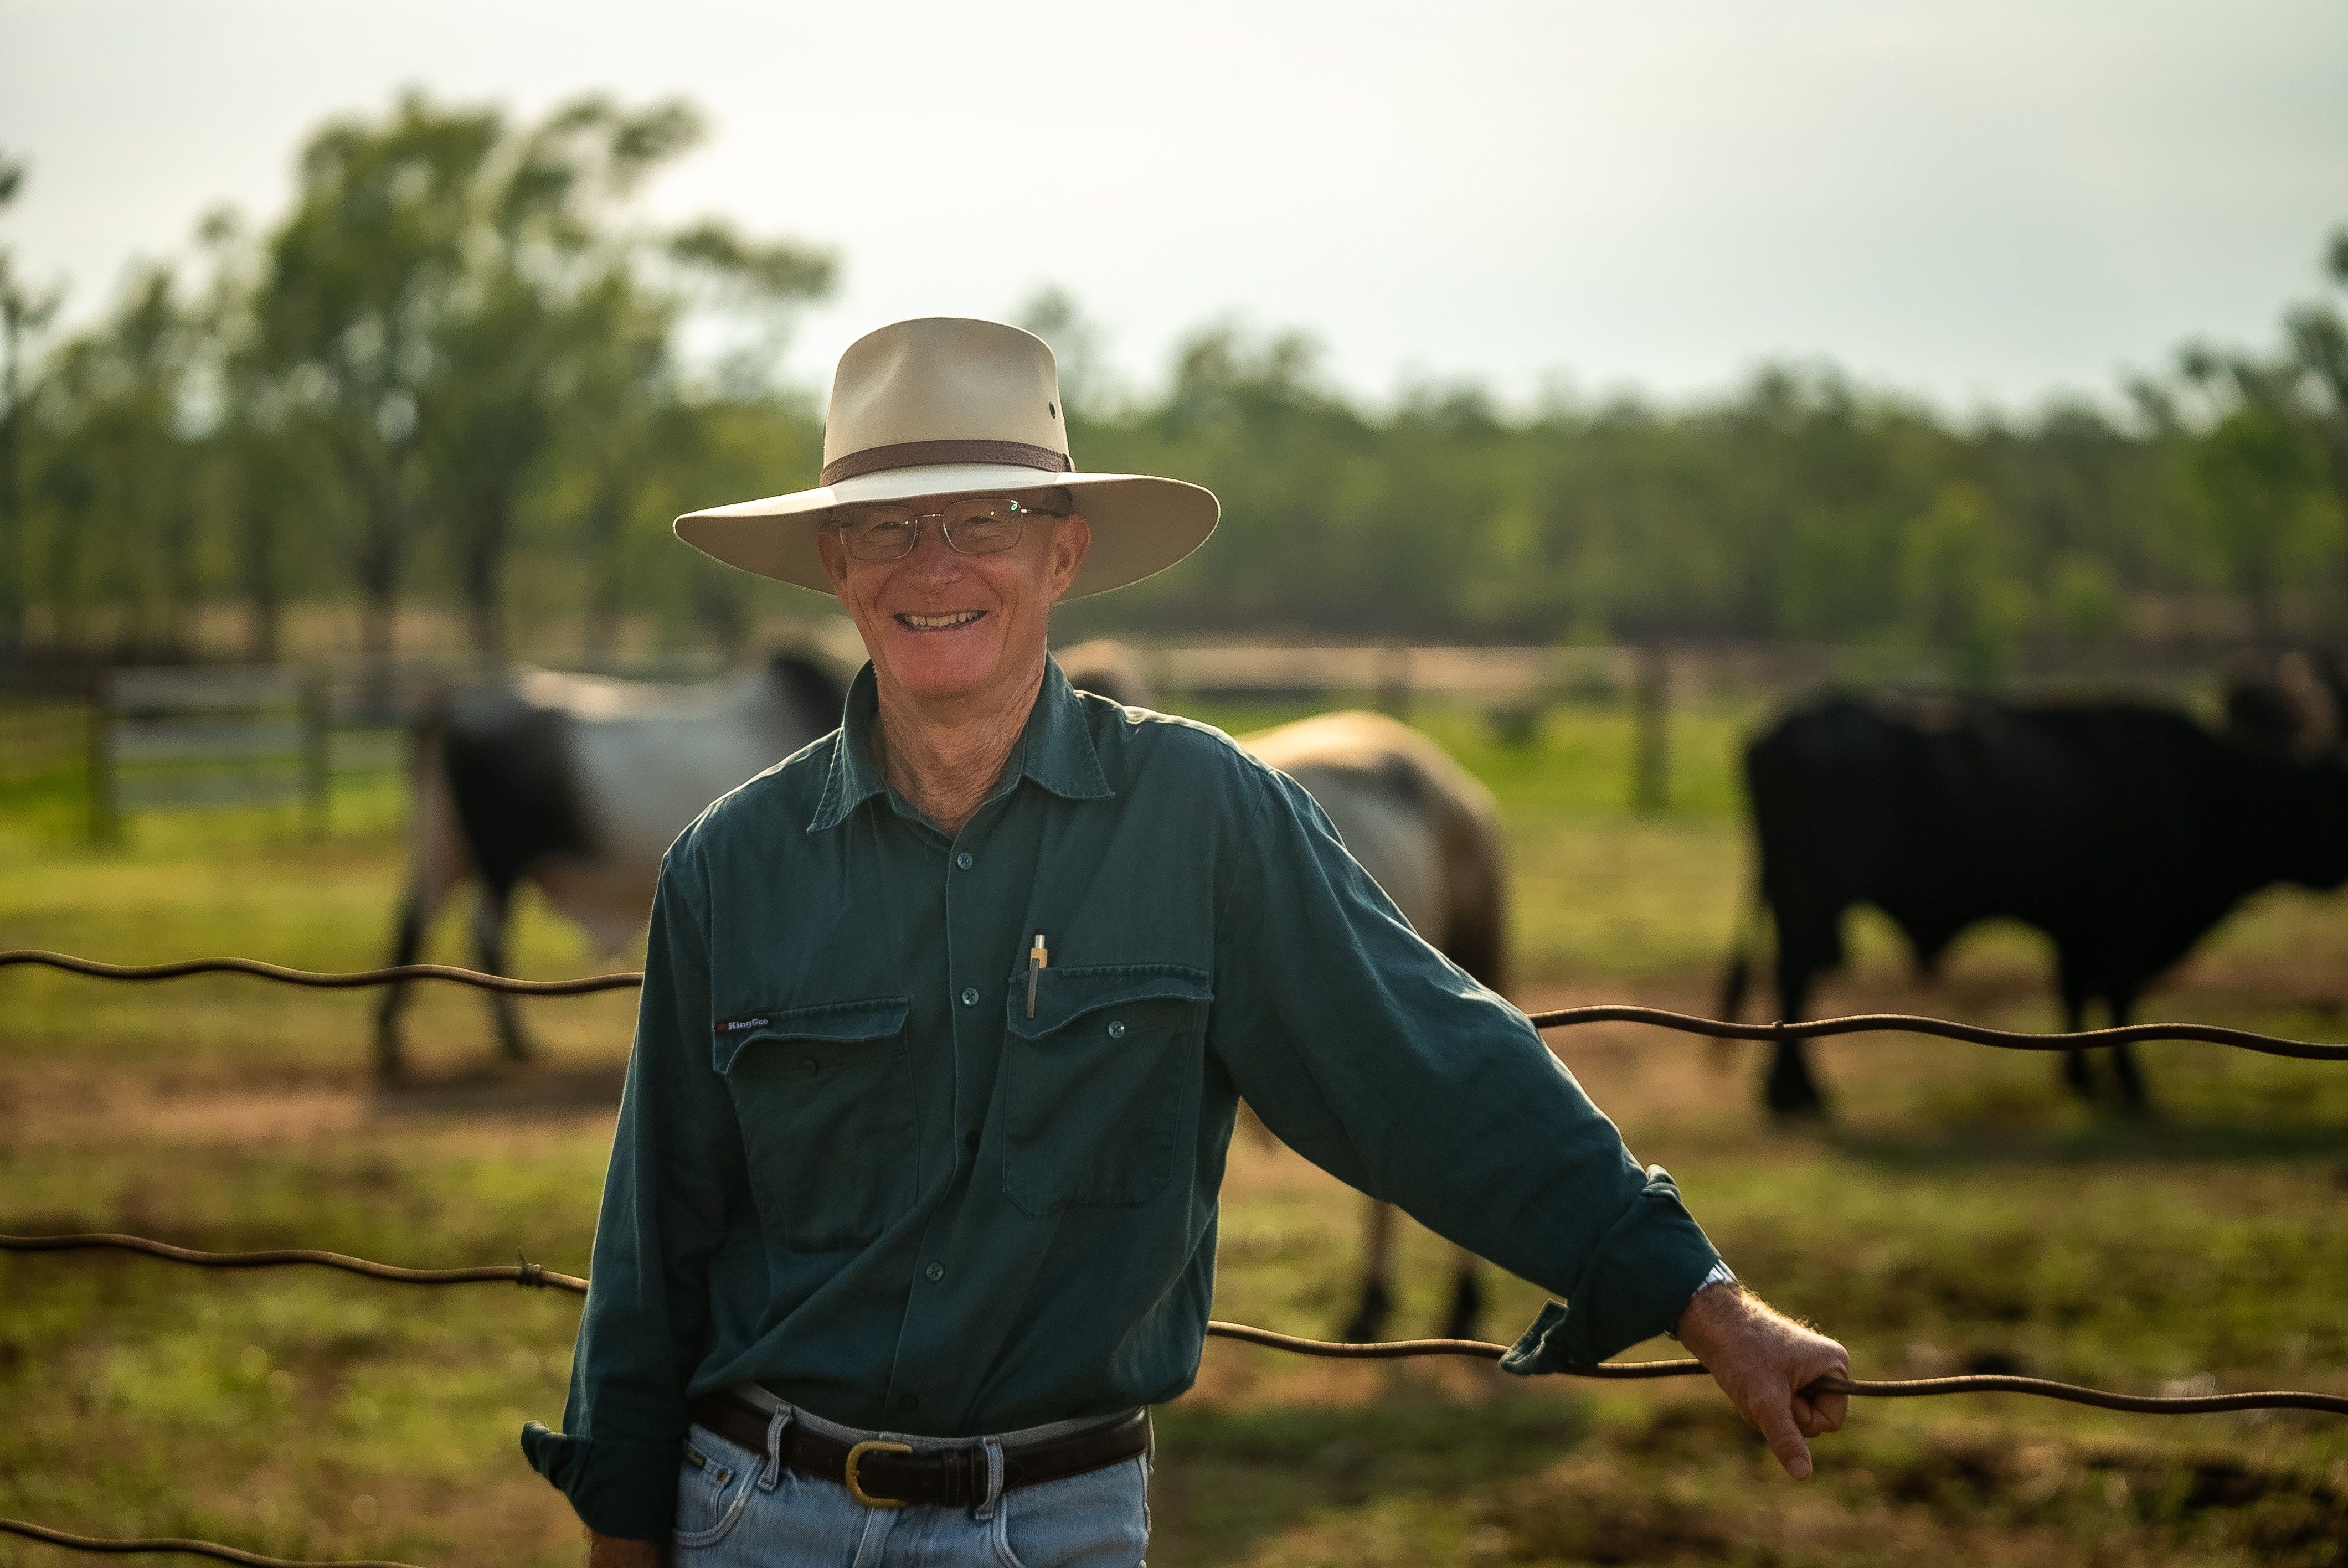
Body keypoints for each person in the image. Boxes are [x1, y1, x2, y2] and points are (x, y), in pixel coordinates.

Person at [522, 317, 1848, 1566]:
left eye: (983, 519)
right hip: (759, 1516)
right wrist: (626, 1525)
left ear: (1063, 551)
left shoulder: (1206, 820)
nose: (933, 566)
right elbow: (653, 1245)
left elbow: (1426, 1066)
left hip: (1054, 1527)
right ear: (835, 564)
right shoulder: (729, 867)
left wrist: (1704, 1303)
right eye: (886, 527)